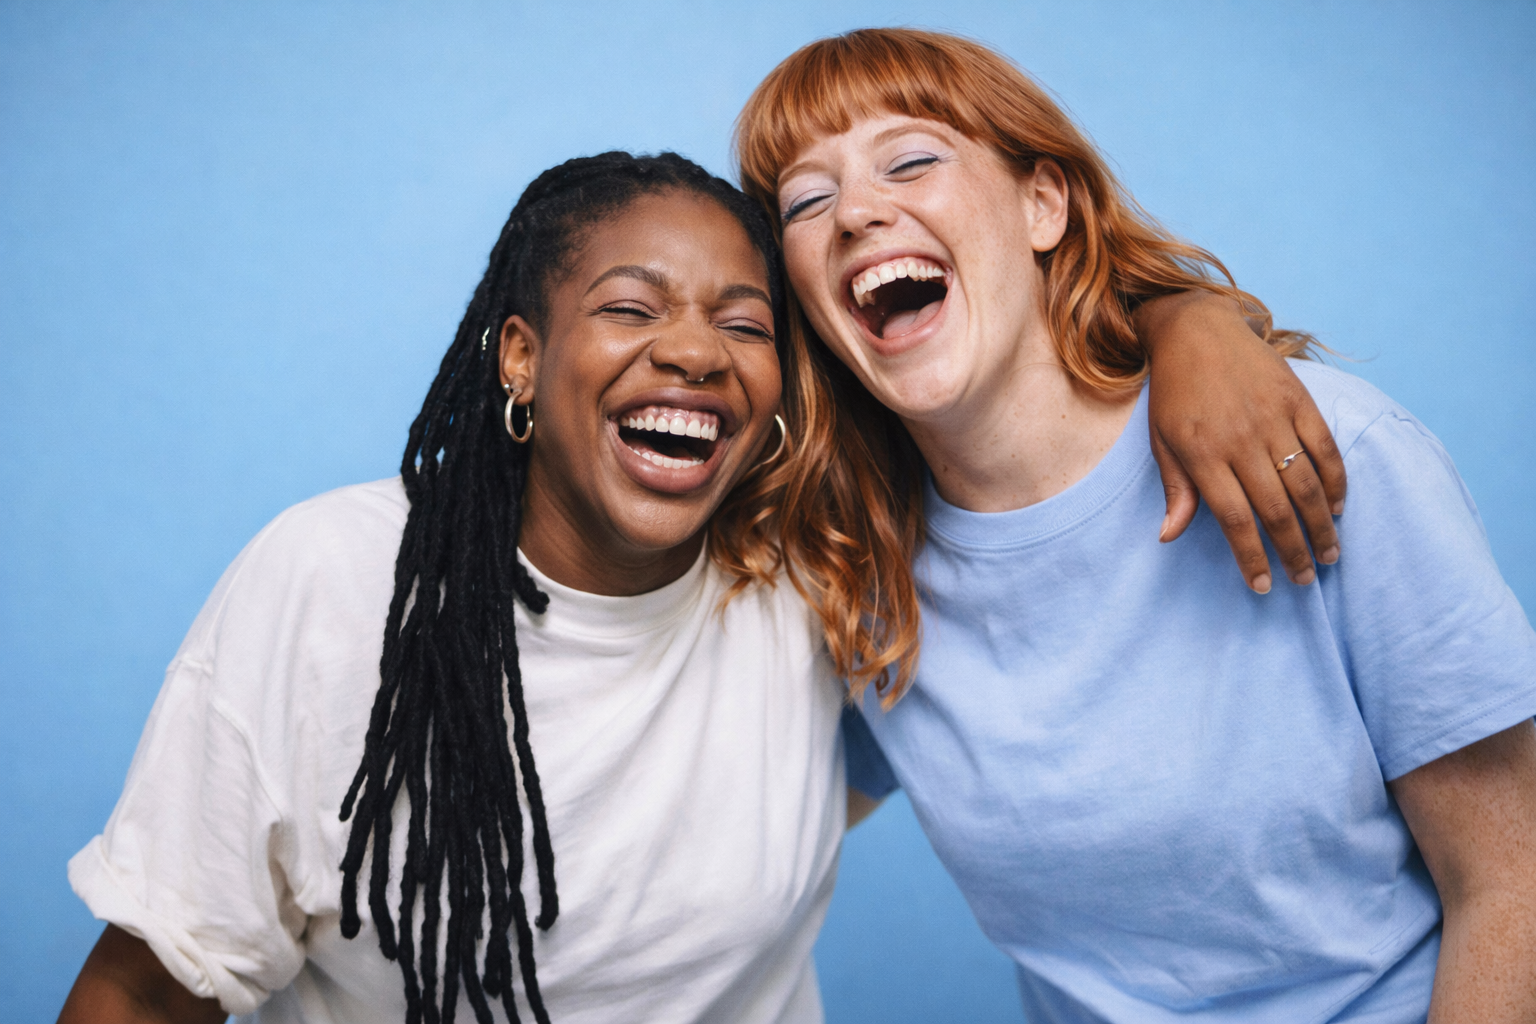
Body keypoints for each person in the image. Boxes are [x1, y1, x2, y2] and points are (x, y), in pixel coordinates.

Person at [59, 150, 1351, 1024]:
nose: (694, 350)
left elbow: (999, 373)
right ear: (522, 355)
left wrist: (1191, 322)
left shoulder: (806, 566)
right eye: (632, 307)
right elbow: (145, 989)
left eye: (746, 323)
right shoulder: (335, 584)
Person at [736, 28, 1536, 1024]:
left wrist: (1192, 315)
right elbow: (751, 833)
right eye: (807, 202)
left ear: (1043, 203)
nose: (856, 210)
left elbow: (1513, 880)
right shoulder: (861, 571)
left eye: (910, 160)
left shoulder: (1325, 452)